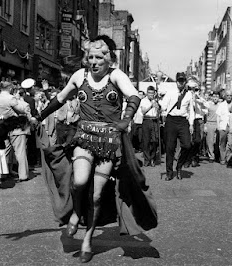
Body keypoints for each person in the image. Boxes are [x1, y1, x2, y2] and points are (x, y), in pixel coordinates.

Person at [34, 35, 157, 263]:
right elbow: (60, 98)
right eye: (90, 57)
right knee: (79, 182)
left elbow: (133, 96)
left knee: (97, 195)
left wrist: (125, 119)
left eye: (99, 57)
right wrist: (38, 116)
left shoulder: (116, 75)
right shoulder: (80, 76)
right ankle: (76, 212)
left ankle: (88, 239)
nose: (94, 61)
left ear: (109, 59)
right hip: (84, 136)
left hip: (109, 142)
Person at [159, 72, 194, 180]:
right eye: (179, 80)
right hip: (171, 120)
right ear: (176, 81)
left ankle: (179, 166)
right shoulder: (170, 92)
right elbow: (164, 106)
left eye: (183, 81)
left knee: (187, 145)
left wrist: (191, 124)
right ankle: (169, 172)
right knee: (170, 147)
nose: (181, 83)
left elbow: (191, 110)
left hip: (183, 121)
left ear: (185, 82)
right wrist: (159, 102)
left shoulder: (189, 94)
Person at [0, 81, 30, 182]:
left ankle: (1, 174)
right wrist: (21, 103)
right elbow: (20, 110)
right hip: (16, 126)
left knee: (4, 151)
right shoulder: (11, 98)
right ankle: (23, 175)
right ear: (10, 89)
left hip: (4, 126)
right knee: (20, 151)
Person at [186, 80, 208, 167]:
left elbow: (207, 106)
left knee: (198, 140)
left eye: (195, 89)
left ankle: (194, 156)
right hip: (188, 121)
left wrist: (198, 98)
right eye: (190, 89)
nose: (193, 91)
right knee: (188, 141)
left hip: (198, 120)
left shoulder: (199, 98)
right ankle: (188, 159)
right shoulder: (186, 97)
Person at [140, 85, 160, 167]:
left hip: (154, 120)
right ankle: (147, 159)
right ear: (147, 93)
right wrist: (151, 106)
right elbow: (143, 111)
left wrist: (158, 107)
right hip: (146, 120)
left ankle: (153, 158)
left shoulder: (156, 101)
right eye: (149, 93)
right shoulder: (143, 101)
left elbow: (159, 112)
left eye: (152, 93)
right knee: (146, 141)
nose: (151, 95)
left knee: (155, 140)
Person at [216, 89, 232, 165]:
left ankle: (228, 157)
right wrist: (218, 126)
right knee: (222, 143)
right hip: (222, 126)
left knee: (230, 143)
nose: (229, 97)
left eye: (230, 95)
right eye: (227, 95)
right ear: (225, 96)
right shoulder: (221, 104)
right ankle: (223, 158)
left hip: (231, 126)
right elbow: (218, 116)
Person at [204, 91, 220, 163]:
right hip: (210, 124)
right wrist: (205, 125)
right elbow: (205, 115)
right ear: (212, 97)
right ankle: (211, 156)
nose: (215, 98)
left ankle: (217, 155)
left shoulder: (221, 105)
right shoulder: (208, 105)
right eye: (214, 96)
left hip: (218, 124)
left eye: (217, 97)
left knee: (217, 141)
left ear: (219, 98)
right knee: (210, 141)